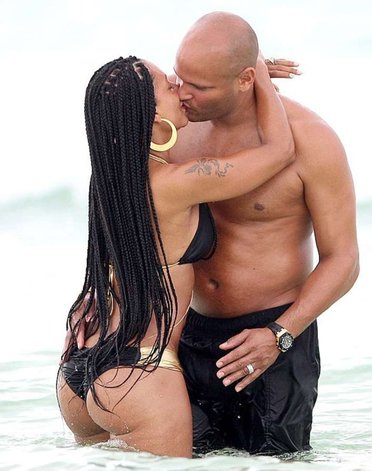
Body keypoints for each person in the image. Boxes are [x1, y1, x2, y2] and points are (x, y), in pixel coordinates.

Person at [57, 54, 294, 458]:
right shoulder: (176, 182)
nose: (179, 89)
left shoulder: (110, 181)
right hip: (139, 374)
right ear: (152, 117)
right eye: (169, 86)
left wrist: (230, 76)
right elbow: (279, 151)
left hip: (80, 369)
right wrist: (255, 74)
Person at [169, 12, 359, 455]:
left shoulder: (311, 140)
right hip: (189, 331)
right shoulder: (177, 128)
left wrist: (279, 334)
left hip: (273, 339)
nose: (183, 94)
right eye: (180, 79)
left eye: (200, 86)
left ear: (244, 80)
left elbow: (344, 260)